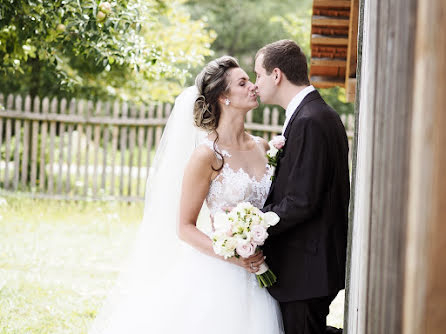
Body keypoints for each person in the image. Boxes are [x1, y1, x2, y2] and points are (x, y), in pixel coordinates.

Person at [88, 56, 284, 334]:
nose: (253, 86)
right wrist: (235, 256)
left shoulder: (263, 146)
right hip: (221, 275)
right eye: (242, 83)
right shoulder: (207, 155)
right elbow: (184, 228)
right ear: (223, 97)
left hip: (261, 270)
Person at [254, 40, 350, 334]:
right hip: (308, 265)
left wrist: (253, 227)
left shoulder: (311, 120)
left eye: (258, 74)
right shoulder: (311, 114)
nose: (256, 83)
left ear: (277, 75)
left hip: (306, 268)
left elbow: (302, 200)